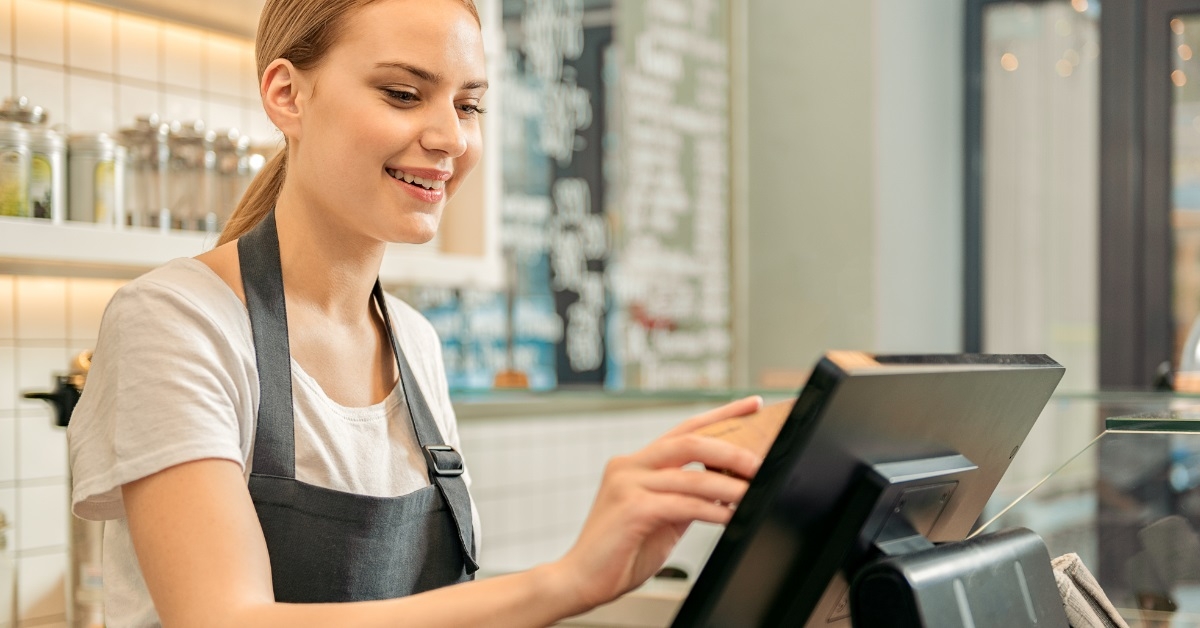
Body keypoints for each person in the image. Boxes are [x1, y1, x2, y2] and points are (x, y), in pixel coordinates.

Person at [66, 0, 763, 625]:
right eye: (403, 94)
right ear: (287, 95)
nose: (451, 138)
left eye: (469, 105)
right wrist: (566, 582)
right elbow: (224, 620)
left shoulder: (415, 343)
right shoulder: (177, 322)